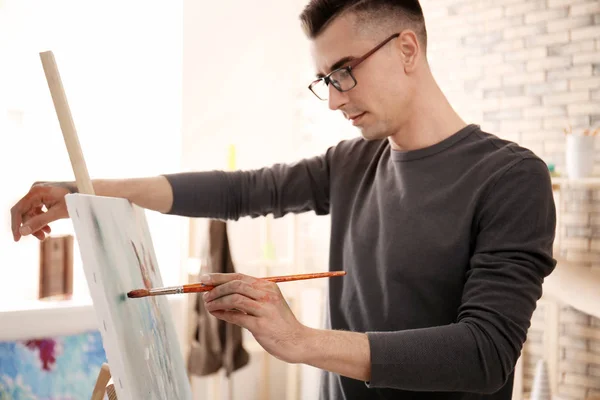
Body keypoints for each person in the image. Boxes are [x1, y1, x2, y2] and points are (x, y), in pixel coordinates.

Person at [10, 0, 557, 399]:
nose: (335, 98)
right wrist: (81, 190)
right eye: (325, 80)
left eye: (344, 73)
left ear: (407, 49)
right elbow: (241, 190)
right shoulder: (352, 162)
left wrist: (301, 341)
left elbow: (484, 353)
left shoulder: (510, 178)